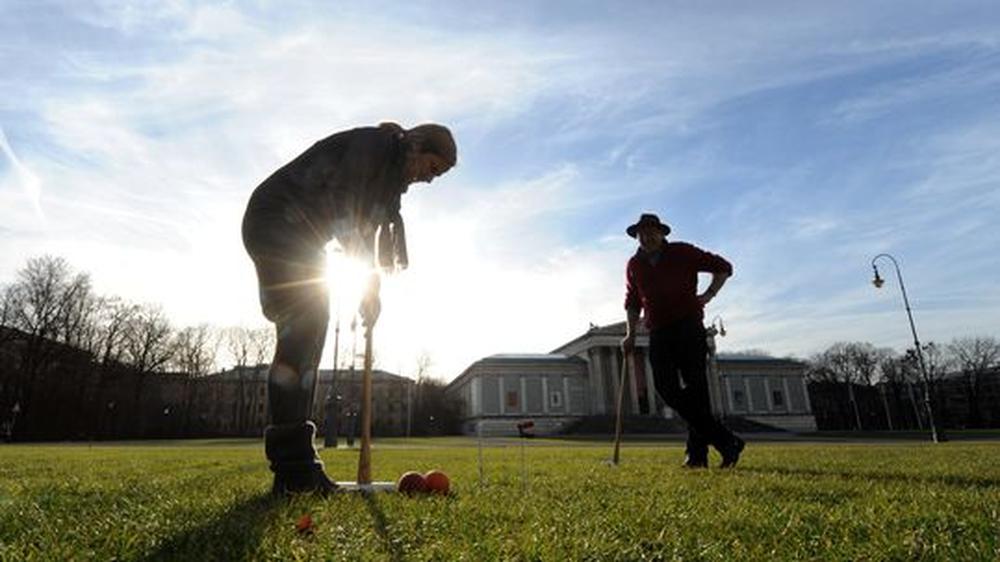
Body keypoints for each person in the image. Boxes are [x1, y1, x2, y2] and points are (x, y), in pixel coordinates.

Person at [242, 122, 456, 494]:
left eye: (438, 176)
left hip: (300, 234)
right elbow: (345, 205)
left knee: (308, 329)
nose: (430, 179)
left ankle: (296, 469)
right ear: (418, 145)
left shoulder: (388, 185)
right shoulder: (373, 146)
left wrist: (370, 291)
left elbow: (364, 240)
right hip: (275, 219)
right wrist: (363, 279)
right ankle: (294, 470)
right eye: (433, 167)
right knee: (306, 322)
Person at [620, 213, 745, 468]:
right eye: (642, 232)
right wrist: (631, 334)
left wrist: (709, 294)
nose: (647, 236)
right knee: (666, 387)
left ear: (662, 232)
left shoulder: (683, 252)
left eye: (652, 231)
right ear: (637, 235)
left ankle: (697, 456)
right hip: (658, 331)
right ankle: (726, 440)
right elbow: (632, 301)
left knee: (697, 391)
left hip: (688, 326)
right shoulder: (634, 264)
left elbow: (724, 267)